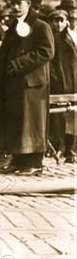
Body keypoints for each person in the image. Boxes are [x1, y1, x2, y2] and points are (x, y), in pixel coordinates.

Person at [0, 0, 55, 176]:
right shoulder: (12, 27)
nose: (15, 7)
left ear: (28, 3)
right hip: (14, 82)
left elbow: (47, 52)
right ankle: (18, 161)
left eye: (19, 3)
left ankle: (35, 163)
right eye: (13, 4)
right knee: (16, 121)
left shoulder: (40, 25)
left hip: (32, 84)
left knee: (33, 123)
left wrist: (20, 63)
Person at [47, 9, 77, 164]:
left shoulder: (70, 38)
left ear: (66, 22)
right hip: (57, 85)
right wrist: (54, 78)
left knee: (72, 116)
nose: (58, 24)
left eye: (61, 21)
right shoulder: (50, 38)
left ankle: (70, 150)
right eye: (55, 21)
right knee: (57, 118)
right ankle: (59, 148)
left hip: (72, 84)